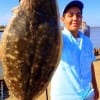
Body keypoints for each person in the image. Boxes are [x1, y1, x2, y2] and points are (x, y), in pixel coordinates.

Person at [50, 0, 99, 100]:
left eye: (78, 15)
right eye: (70, 15)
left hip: (87, 95)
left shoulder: (87, 42)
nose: (75, 18)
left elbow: (90, 65)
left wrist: (95, 87)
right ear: (62, 19)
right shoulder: (57, 39)